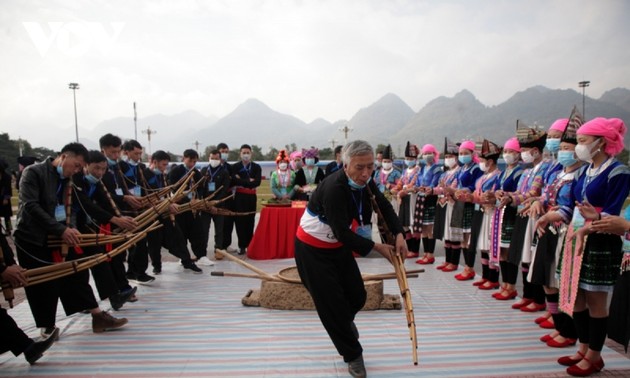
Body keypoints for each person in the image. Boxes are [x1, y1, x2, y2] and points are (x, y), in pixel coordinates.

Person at [294, 140, 407, 378]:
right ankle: (353, 355)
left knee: (357, 295)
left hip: (337, 247)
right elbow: (342, 232)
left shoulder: (366, 182)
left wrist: (399, 234)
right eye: (359, 167)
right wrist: (377, 247)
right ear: (346, 165)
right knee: (331, 305)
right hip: (312, 250)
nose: (365, 173)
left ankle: (343, 323)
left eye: (370, 167)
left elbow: (384, 206)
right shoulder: (335, 187)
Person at [14, 142, 127, 338]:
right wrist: (61, 229)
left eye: (79, 168)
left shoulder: (68, 179)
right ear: (64, 156)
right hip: (32, 238)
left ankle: (97, 316)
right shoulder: (33, 173)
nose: (76, 170)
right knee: (43, 284)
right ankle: (47, 327)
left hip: (60, 235)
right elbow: (31, 206)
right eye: (76, 165)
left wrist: (71, 228)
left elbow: (70, 208)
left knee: (76, 272)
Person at [553, 117, 630, 376]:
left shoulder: (618, 172)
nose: (578, 147)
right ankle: (583, 347)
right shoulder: (584, 171)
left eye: (583, 141)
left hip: (601, 240)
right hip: (578, 236)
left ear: (601, 142)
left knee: (596, 300)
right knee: (577, 298)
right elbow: (573, 205)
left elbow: (612, 213)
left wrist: (592, 221)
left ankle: (595, 356)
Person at [529, 118, 582, 348]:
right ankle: (558, 323)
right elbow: (546, 194)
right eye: (559, 147)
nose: (560, 150)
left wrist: (554, 213)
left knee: (561, 282)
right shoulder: (558, 171)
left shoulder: (581, 173)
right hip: (549, 227)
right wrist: (538, 202)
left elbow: (575, 204)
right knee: (546, 278)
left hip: (564, 230)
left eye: (565, 147)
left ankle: (567, 330)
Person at [72, 150, 138, 310]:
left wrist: (122, 216)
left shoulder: (97, 182)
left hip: (88, 227)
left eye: (103, 169)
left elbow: (106, 201)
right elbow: (87, 204)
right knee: (78, 270)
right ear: (86, 165)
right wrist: (115, 219)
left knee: (100, 260)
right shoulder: (76, 180)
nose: (100, 172)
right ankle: (85, 304)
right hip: (72, 228)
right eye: (96, 168)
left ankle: (114, 296)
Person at [144, 150, 203, 272]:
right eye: (163, 164)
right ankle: (156, 266)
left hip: (165, 211)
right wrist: (165, 204)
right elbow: (146, 196)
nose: (165, 167)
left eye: (166, 164)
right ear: (155, 162)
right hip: (151, 214)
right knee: (154, 241)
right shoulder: (145, 175)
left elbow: (166, 193)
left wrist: (170, 203)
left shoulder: (162, 175)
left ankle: (186, 261)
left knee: (177, 236)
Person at [98, 134, 140, 300]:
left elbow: (122, 189)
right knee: (110, 256)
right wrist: (123, 198)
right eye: (112, 152)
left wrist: (131, 198)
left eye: (118, 152)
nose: (116, 156)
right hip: (107, 219)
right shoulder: (100, 169)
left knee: (120, 254)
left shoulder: (116, 167)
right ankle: (118, 289)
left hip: (121, 215)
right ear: (104, 150)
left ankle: (122, 287)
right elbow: (103, 196)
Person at [460, 140, 501, 283]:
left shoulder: (498, 176)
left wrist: (479, 198)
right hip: (481, 212)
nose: (480, 163)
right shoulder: (483, 177)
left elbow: (495, 195)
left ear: (490, 161)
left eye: (482, 160)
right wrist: (470, 197)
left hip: (492, 213)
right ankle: (485, 276)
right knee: (483, 244)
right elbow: (477, 195)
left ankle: (493, 278)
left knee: (491, 245)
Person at [119, 139, 155, 284]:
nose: (138, 156)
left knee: (140, 241)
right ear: (126, 152)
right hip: (124, 209)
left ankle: (136, 272)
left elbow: (145, 186)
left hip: (139, 208)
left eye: (140, 153)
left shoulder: (139, 167)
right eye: (135, 153)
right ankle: (134, 272)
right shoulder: (119, 167)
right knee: (131, 243)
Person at [491, 138, 524, 294]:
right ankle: (504, 283)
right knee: (502, 250)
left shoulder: (521, 172)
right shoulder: (504, 172)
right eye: (506, 151)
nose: (508, 154)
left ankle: (511, 285)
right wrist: (496, 192)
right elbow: (496, 188)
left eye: (511, 151)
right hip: (501, 212)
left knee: (510, 250)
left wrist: (508, 195)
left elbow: (521, 192)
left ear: (519, 154)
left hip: (512, 212)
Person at [167, 149, 205, 271]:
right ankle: (183, 257)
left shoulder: (196, 173)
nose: (192, 164)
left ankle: (201, 255)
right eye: (190, 160)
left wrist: (198, 199)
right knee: (181, 234)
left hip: (193, 208)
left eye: (194, 161)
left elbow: (200, 187)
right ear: (184, 158)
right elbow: (172, 188)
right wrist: (184, 197)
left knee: (198, 232)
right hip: (180, 207)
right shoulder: (176, 171)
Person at [451, 140, 483, 279]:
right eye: (461, 153)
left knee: (469, 237)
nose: (463, 156)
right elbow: (457, 183)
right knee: (462, 237)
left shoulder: (476, 168)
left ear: (472, 153)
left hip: (470, 203)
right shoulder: (461, 169)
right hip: (460, 203)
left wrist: (465, 190)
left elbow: (476, 186)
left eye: (466, 153)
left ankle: (470, 267)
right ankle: (466, 267)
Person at [433, 138, 463, 272]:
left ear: (456, 158)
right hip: (443, 204)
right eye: (446, 157)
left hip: (454, 204)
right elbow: (439, 187)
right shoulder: (445, 173)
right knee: (447, 233)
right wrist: (432, 190)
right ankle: (447, 260)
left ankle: (454, 262)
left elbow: (455, 188)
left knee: (454, 234)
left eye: (450, 156)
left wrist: (447, 189)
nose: (448, 159)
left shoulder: (459, 172)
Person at [199, 149, 232, 261]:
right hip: (205, 206)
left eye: (216, 158)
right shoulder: (204, 170)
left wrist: (215, 204)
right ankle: (202, 252)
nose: (214, 160)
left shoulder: (224, 172)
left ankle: (218, 250)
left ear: (220, 159)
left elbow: (224, 190)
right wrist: (205, 203)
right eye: (212, 158)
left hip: (218, 206)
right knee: (203, 230)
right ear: (209, 158)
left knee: (219, 230)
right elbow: (200, 188)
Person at [414, 144, 443, 265]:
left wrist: (427, 188)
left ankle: (430, 254)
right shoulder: (421, 168)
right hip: (421, 199)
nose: (427, 156)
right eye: (425, 153)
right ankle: (425, 253)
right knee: (423, 228)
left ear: (434, 154)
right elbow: (417, 181)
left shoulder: (437, 168)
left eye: (429, 153)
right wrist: (418, 187)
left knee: (430, 228)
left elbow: (435, 183)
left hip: (431, 198)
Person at [391, 142, 421, 258]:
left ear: (415, 158)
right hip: (403, 199)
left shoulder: (418, 170)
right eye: (407, 158)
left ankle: (415, 250)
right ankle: (410, 249)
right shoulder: (405, 171)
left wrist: (404, 190)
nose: (409, 160)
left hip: (412, 198)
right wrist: (395, 189)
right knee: (404, 225)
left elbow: (413, 184)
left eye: (411, 158)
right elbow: (400, 183)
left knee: (413, 224)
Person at [231, 144, 261, 255]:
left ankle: (250, 244)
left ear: (251, 153)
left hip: (251, 197)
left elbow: (257, 182)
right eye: (244, 152)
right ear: (240, 153)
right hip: (239, 197)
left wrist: (242, 180)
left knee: (250, 220)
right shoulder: (235, 167)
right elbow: (234, 181)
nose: (246, 155)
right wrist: (249, 181)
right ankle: (241, 245)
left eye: (248, 152)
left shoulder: (256, 167)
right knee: (240, 221)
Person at [216, 142, 236, 254]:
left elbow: (234, 180)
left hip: (228, 196)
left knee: (229, 221)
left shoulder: (229, 167)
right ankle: (219, 246)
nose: (224, 154)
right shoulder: (214, 167)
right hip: (218, 197)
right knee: (220, 223)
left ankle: (227, 244)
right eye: (222, 152)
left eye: (226, 152)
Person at [0, 162, 12, 235]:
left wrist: (6, 198)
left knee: (7, 216)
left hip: (5, 199)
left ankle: (8, 229)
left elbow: (8, 189)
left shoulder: (7, 177)